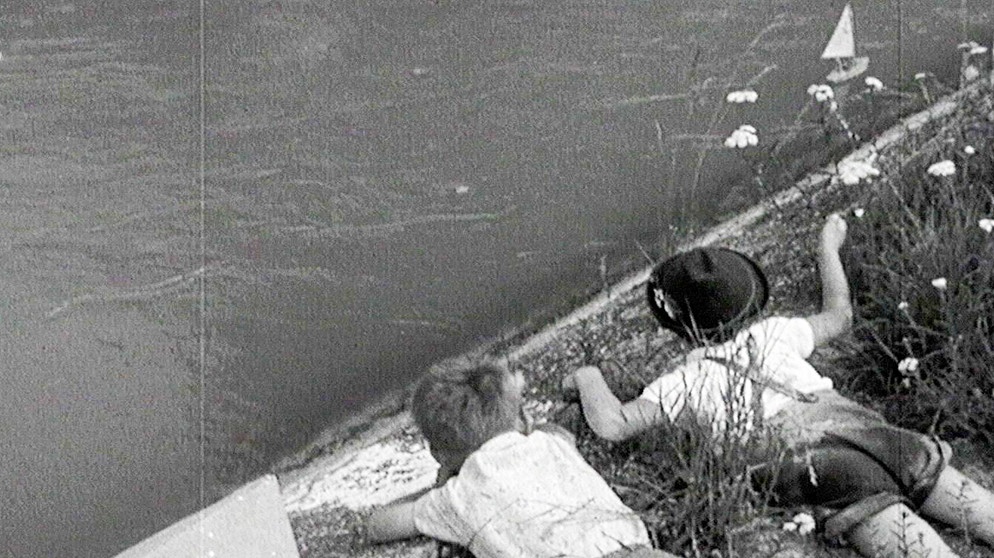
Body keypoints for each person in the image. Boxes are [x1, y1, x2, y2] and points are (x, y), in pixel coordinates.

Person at [562, 213, 994, 558]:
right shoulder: (774, 333)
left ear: (675, 328)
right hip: (873, 437)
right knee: (976, 507)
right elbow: (840, 314)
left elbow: (613, 424)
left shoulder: (684, 382)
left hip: (822, 470)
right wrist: (827, 248)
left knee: (915, 547)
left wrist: (588, 376)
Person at [364, 359, 678, 558]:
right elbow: (557, 431)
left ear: (438, 453)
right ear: (523, 418)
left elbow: (378, 526)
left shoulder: (458, 496)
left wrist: (443, 479)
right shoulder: (550, 444)